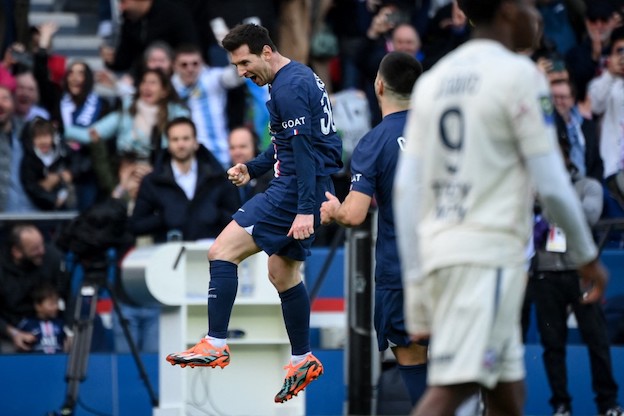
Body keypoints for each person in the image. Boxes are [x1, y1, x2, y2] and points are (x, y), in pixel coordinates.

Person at [393, 0, 609, 414]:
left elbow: (406, 190)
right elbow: (553, 184)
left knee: (507, 393)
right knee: (455, 388)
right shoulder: (519, 75)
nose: (538, 16)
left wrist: (417, 283)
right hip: (486, 258)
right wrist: (586, 256)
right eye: (531, 5)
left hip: (444, 252)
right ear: (509, 10)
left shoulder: (435, 80)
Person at [165, 23, 343, 403]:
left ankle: (215, 343)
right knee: (283, 272)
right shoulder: (297, 76)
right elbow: (287, 145)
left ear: (266, 51)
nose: (241, 72)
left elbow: (304, 151)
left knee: (221, 251)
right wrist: (253, 168)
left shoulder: (289, 87)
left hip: (294, 191)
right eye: (234, 65)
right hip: (308, 184)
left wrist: (305, 210)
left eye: (244, 62)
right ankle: (302, 358)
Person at [320, 51, 427, 406]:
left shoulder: (375, 141)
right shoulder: (447, 134)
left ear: (379, 86)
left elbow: (354, 214)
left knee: (413, 358)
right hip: (453, 268)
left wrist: (333, 209)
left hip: (402, 272)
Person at [530, 138, 623, 416]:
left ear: (567, 157)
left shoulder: (588, 186)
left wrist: (551, 199)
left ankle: (608, 404)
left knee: (597, 340)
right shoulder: (529, 189)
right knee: (552, 344)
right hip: (545, 273)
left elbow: (588, 216)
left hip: (580, 271)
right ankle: (561, 405)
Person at [129, 117, 239, 243]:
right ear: (168, 144)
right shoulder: (152, 182)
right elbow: (136, 225)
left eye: (186, 138)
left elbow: (235, 220)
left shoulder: (219, 177)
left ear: (196, 142)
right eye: (175, 139)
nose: (180, 144)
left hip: (211, 249)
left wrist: (214, 214)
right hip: (168, 254)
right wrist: (163, 217)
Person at [172, 43, 244, 169]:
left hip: (219, 155)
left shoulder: (212, 78)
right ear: (175, 66)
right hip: (186, 159)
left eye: (195, 64)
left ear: (202, 63)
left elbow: (236, 76)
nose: (190, 69)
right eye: (184, 65)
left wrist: (234, 50)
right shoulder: (170, 87)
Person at [0, 224, 69, 353]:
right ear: (17, 252)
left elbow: (69, 297)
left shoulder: (53, 258)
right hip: (11, 330)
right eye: (35, 249)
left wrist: (69, 332)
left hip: (51, 325)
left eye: (42, 244)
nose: (42, 251)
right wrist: (13, 333)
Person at [20, 117, 76, 211]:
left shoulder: (61, 150)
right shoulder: (29, 161)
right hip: (42, 207)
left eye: (46, 136)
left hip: (68, 199)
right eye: (38, 137)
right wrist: (53, 199)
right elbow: (31, 187)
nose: (43, 141)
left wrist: (70, 172)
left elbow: (77, 161)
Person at [16, 281, 68, 354]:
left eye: (56, 303)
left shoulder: (61, 323)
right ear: (38, 306)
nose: (56, 307)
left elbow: (67, 344)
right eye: (51, 304)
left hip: (57, 362)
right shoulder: (27, 324)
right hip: (35, 363)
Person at [227, 125, 272, 204]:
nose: (237, 152)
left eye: (242, 147)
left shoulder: (272, 177)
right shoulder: (223, 180)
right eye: (232, 147)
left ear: (255, 147)